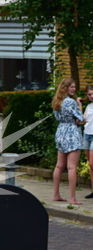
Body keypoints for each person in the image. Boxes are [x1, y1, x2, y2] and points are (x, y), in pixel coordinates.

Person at [52, 77, 84, 205]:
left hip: (61, 131)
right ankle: (72, 198)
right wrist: (80, 105)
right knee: (72, 167)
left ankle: (56, 194)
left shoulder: (57, 101)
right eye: (72, 87)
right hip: (71, 132)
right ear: (66, 88)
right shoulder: (70, 102)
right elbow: (81, 118)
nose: (74, 89)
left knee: (59, 166)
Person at [83, 86, 93, 199]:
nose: (91, 96)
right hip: (87, 135)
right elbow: (83, 120)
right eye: (89, 94)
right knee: (91, 166)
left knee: (92, 163)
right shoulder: (89, 106)